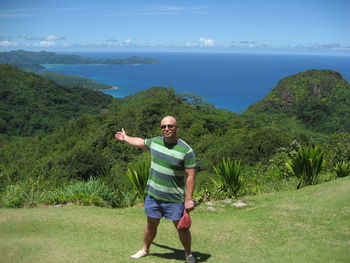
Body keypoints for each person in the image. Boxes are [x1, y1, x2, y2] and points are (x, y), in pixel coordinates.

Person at [114, 116, 196, 263]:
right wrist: (126, 138)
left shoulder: (186, 150)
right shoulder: (155, 142)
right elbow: (140, 141)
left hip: (174, 199)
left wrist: (189, 199)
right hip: (153, 196)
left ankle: (188, 254)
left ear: (177, 127)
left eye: (170, 126)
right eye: (163, 126)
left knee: (182, 228)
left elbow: (190, 176)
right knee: (151, 225)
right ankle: (145, 249)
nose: (167, 129)